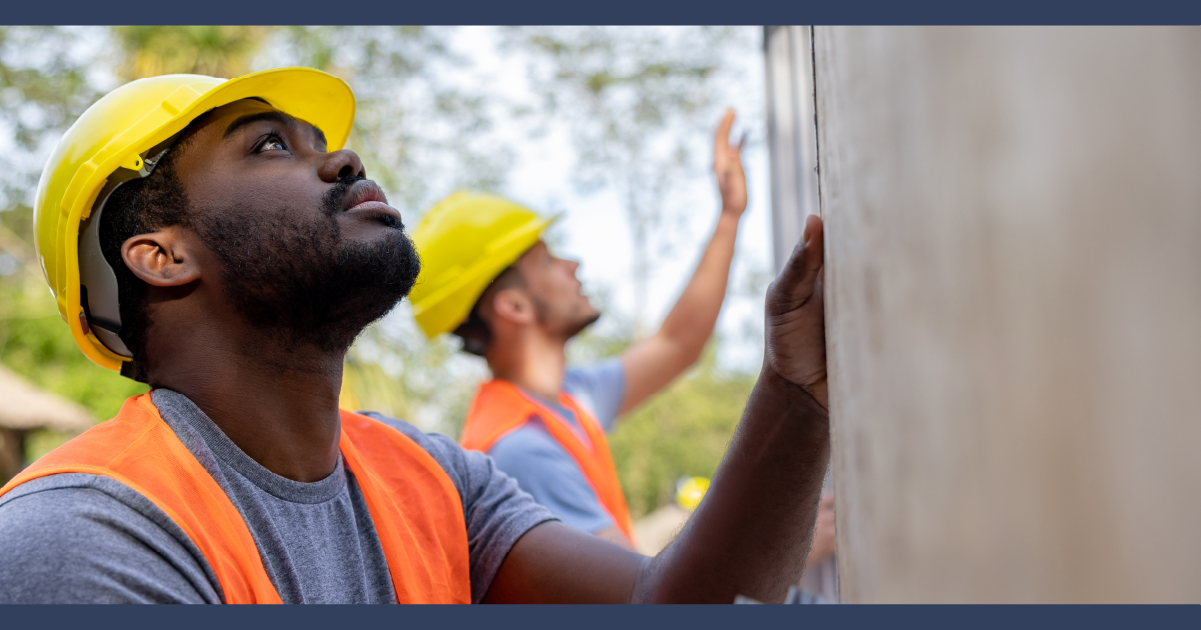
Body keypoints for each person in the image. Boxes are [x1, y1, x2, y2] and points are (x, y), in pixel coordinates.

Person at [0, 68, 831, 604]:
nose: (344, 161)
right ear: (162, 255)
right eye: (270, 147)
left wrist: (796, 398)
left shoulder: (434, 481)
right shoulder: (85, 540)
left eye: (323, 144)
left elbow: (673, 606)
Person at [408, 112, 749, 549]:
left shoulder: (566, 401)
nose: (573, 265)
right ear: (513, 306)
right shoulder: (520, 449)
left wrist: (729, 215)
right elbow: (640, 599)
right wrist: (779, 544)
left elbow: (678, 343)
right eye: (548, 260)